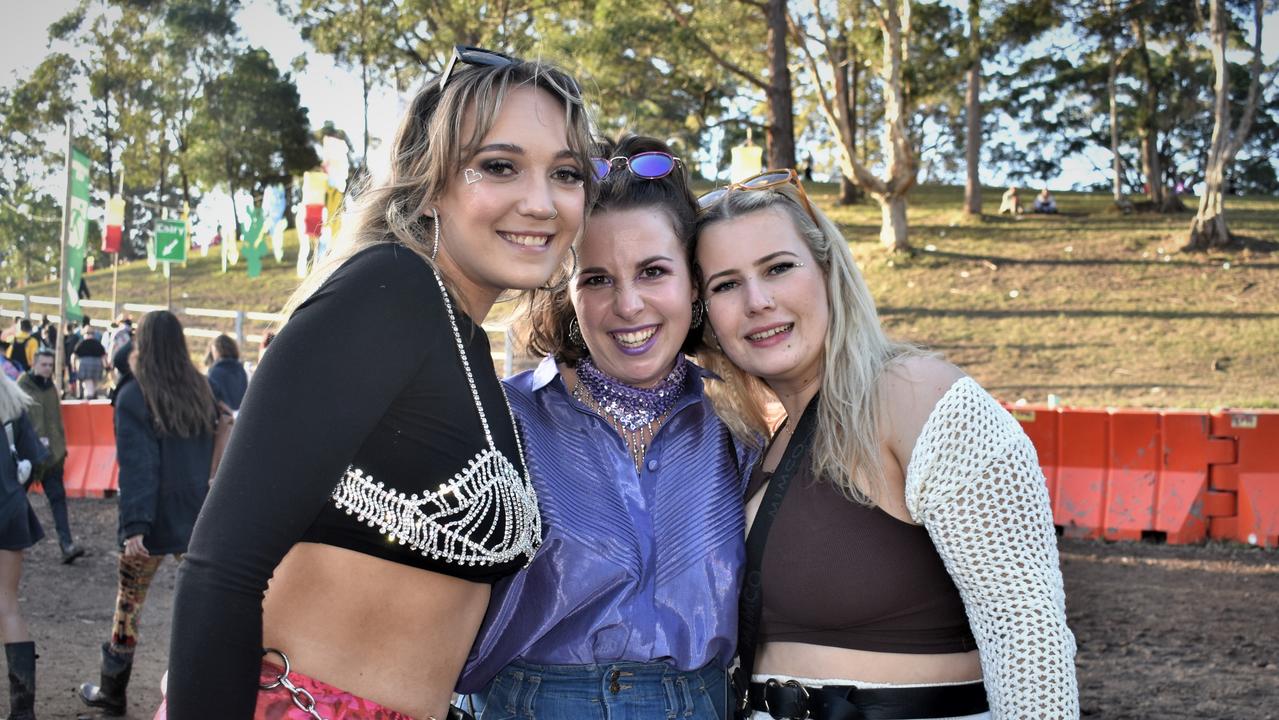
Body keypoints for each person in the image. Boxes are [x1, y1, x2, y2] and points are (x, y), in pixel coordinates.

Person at [163, 49, 593, 720]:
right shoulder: (388, 290)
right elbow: (220, 570)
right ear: (429, 181)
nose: (540, 202)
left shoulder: (462, 341)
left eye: (565, 173)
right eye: (500, 166)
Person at [693, 170, 1078, 719]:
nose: (757, 301)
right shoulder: (760, 443)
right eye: (725, 284)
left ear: (828, 273)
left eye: (779, 268)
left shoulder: (916, 394)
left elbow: (1027, 633)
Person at [461, 135, 756, 720]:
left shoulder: (741, 425)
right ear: (568, 292)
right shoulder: (502, 420)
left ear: (693, 286)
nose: (628, 305)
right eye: (597, 279)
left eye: (652, 272)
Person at [74, 312, 216, 716]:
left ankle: (111, 693)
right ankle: (202, 691)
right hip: (198, 520)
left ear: (145, 344)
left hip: (151, 522)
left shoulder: (136, 395)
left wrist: (134, 526)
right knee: (202, 609)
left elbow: (139, 465)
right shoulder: (202, 389)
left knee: (129, 608)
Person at [0, 372, 49, 720]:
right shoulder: (11, 399)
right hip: (8, 509)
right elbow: (35, 457)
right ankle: (22, 712)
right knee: (7, 604)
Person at [17, 350, 84, 564]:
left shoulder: (51, 388)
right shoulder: (21, 388)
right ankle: (9, 545)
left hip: (52, 456)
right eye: (44, 364)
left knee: (57, 500)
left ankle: (67, 545)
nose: (48, 368)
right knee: (15, 501)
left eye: (50, 364)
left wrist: (59, 448)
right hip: (26, 457)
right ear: (34, 364)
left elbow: (56, 421)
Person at [205, 335, 248, 411]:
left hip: (225, 418)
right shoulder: (241, 371)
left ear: (216, 351)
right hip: (242, 417)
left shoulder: (214, 372)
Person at [73, 328, 108, 399]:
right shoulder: (98, 344)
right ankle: (93, 395)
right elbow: (103, 357)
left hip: (84, 365)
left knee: (88, 384)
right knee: (94, 384)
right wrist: (106, 367)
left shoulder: (81, 343)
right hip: (97, 365)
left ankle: (90, 398)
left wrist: (73, 366)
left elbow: (74, 356)